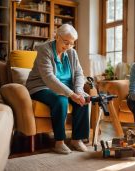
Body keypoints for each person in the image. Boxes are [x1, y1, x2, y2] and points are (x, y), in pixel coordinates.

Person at [26, 24, 89, 154]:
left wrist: (78, 91)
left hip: (66, 87)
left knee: (83, 99)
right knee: (61, 100)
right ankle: (59, 142)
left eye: (72, 43)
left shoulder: (72, 52)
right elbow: (49, 77)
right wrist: (71, 94)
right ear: (57, 36)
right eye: (66, 42)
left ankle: (77, 139)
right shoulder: (45, 50)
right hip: (41, 86)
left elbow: (78, 73)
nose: (68, 47)